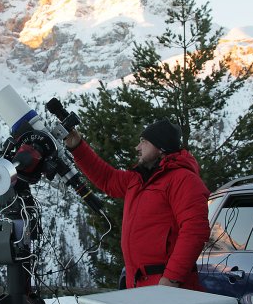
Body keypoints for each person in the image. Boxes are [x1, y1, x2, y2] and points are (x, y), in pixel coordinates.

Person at [65, 118, 210, 290]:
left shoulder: (183, 180)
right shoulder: (138, 179)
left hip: (166, 286)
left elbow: (195, 230)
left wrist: (171, 278)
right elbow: (107, 179)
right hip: (139, 283)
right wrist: (77, 147)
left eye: (144, 142)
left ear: (161, 147)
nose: (137, 147)